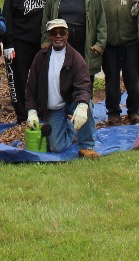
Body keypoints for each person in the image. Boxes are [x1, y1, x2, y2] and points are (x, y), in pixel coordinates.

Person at [23, 19, 98, 158]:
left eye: (62, 32)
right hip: (54, 109)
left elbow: (83, 85)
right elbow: (31, 86)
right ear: (49, 36)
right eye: (54, 33)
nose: (58, 36)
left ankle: (86, 146)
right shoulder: (40, 58)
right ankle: (71, 128)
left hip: (69, 102)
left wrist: (82, 105)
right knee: (56, 147)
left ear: (67, 35)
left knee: (88, 105)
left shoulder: (76, 58)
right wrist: (32, 111)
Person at [93, 0, 139, 125]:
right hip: (109, 42)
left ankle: (134, 112)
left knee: (133, 78)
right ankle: (113, 113)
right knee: (111, 79)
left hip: (131, 40)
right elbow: (93, 11)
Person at [41, 0, 106, 88]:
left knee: (84, 80)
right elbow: (46, 20)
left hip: (85, 42)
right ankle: (63, 107)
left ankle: (84, 106)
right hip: (60, 41)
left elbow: (101, 21)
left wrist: (99, 45)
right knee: (62, 79)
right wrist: (45, 42)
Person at [1, 0, 49, 123]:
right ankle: (22, 115)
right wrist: (7, 43)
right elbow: (6, 17)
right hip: (19, 44)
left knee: (41, 80)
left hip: (39, 45)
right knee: (20, 81)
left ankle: (40, 112)